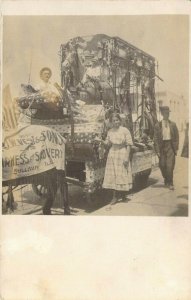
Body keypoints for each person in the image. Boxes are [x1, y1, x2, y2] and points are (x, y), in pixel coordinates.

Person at [96, 112, 133, 204]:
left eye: (117, 120)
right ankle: (115, 197)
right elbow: (108, 144)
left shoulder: (125, 130)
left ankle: (123, 195)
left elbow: (129, 145)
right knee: (114, 175)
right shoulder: (110, 131)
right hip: (112, 153)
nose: (116, 122)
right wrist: (100, 141)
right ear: (111, 122)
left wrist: (126, 157)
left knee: (122, 174)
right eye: (113, 121)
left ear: (120, 120)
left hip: (122, 152)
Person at [154, 106, 179, 190]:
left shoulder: (173, 124)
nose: (167, 115)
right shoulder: (158, 125)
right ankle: (166, 178)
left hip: (170, 146)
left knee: (170, 165)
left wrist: (175, 148)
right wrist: (157, 150)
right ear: (162, 114)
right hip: (162, 147)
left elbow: (176, 136)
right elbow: (156, 139)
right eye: (165, 113)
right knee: (162, 165)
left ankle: (170, 182)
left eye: (168, 113)